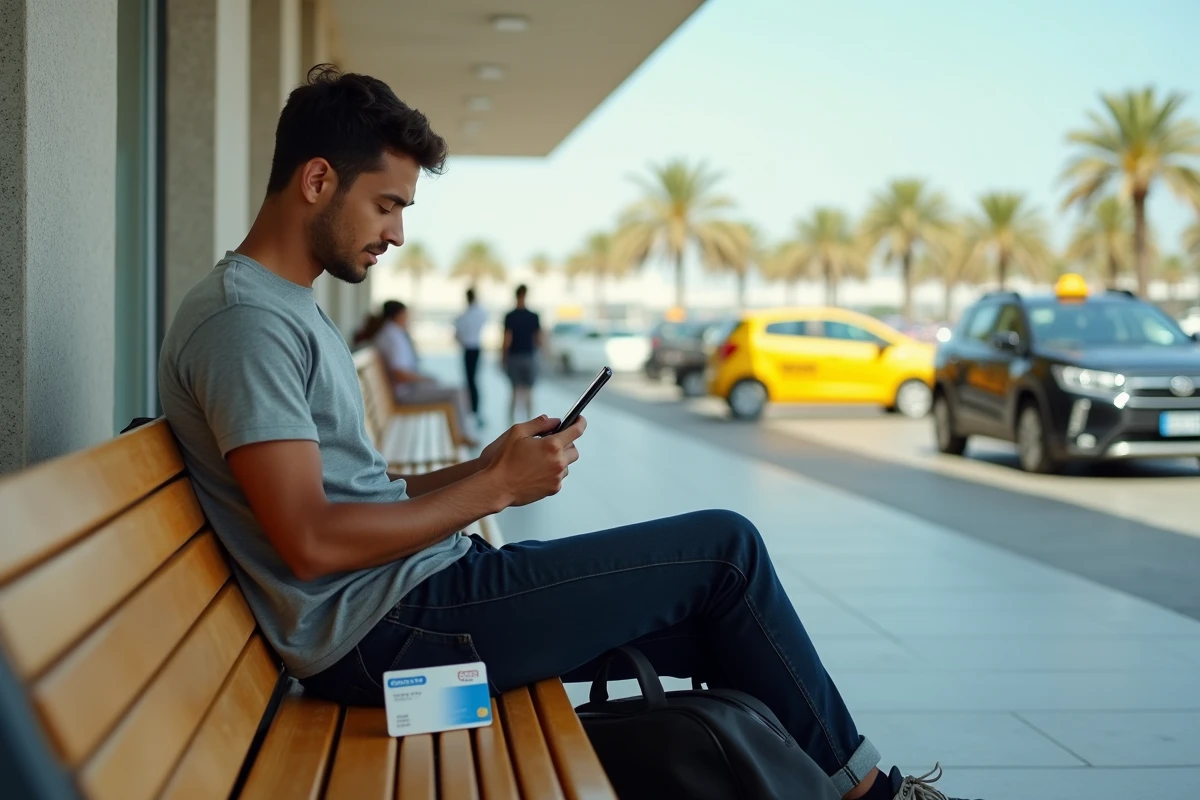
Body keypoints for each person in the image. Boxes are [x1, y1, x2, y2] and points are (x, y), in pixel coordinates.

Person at [156, 64, 977, 800]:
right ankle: (876, 796)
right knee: (727, 553)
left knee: (728, 624)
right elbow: (309, 541)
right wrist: (496, 490)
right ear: (317, 179)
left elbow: (352, 496)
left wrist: (477, 469)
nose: (398, 232)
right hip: (388, 638)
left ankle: (849, 789)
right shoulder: (247, 324)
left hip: (411, 603)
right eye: (387, 204)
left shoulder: (282, 309)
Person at [374, 299, 478, 447]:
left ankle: (462, 435)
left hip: (407, 389)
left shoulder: (393, 333)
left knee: (447, 386)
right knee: (456, 391)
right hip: (406, 394)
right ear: (398, 315)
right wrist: (424, 379)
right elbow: (399, 373)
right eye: (405, 315)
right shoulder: (392, 336)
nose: (407, 319)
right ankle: (463, 436)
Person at [502, 284, 542, 425]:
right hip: (529, 356)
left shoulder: (510, 316)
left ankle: (511, 424)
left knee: (514, 392)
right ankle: (531, 424)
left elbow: (507, 339)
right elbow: (538, 339)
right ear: (526, 295)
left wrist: (503, 357)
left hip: (514, 357)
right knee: (529, 393)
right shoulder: (533, 316)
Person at [454, 288, 487, 427]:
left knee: (470, 381)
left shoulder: (464, 315)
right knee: (473, 381)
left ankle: (472, 411)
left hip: (468, 350)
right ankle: (474, 411)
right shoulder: (480, 313)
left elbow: (457, 335)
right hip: (476, 349)